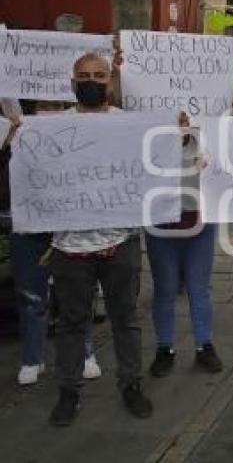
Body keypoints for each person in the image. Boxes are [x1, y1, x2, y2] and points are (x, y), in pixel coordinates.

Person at [46, 53, 151, 426]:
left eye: (99, 75)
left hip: (118, 244)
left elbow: (157, 162)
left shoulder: (132, 125)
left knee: (126, 319)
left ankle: (132, 385)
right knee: (72, 322)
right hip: (69, 247)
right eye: (84, 76)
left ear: (111, 82)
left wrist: (181, 132)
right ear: (73, 83)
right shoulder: (51, 127)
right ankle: (68, 393)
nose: (92, 81)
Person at [6, 101, 102, 386]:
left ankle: (85, 352)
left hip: (68, 218)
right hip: (28, 218)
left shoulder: (82, 117)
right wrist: (6, 139)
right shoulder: (13, 119)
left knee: (76, 293)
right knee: (31, 293)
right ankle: (33, 358)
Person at [145, 111, 221, 378]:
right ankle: (164, 347)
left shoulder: (211, 144)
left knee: (200, 288)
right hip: (160, 228)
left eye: (187, 117)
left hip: (199, 226)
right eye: (177, 117)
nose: (183, 122)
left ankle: (204, 345)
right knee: (164, 289)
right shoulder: (148, 144)